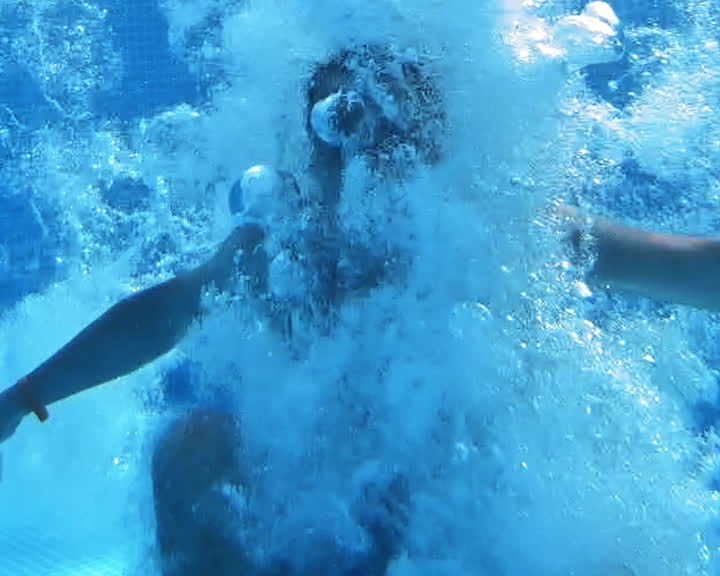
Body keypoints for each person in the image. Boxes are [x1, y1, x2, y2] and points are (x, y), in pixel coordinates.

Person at [1, 46, 719, 569]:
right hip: (320, 521)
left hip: (464, 523)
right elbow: (163, 315)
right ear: (314, 148)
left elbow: (689, 267)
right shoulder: (284, 243)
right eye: (343, 124)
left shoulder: (496, 235)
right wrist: (24, 395)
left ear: (430, 146)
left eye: (392, 125)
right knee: (192, 447)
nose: (364, 152)